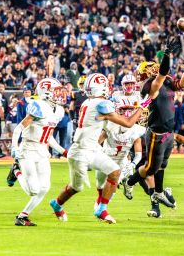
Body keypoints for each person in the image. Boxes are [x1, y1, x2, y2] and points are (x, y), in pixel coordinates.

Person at [48, 73, 150, 224]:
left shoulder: (88, 102)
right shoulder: (101, 104)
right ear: (100, 88)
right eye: (105, 86)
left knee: (115, 172)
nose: (108, 89)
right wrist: (142, 106)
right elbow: (128, 123)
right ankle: (57, 204)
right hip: (81, 151)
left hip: (90, 148)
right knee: (76, 187)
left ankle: (101, 209)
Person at [124, 37, 184, 218]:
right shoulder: (149, 85)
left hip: (168, 131)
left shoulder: (166, 82)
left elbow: (181, 85)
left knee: (161, 166)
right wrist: (167, 54)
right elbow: (162, 74)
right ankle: (130, 182)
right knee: (151, 168)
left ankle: (158, 196)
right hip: (155, 131)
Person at [7, 78, 68, 226]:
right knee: (33, 190)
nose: (59, 94)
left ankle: (22, 216)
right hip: (28, 149)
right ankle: (16, 171)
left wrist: (63, 151)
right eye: (56, 91)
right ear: (45, 93)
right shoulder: (38, 105)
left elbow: (48, 136)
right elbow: (19, 128)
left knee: (44, 187)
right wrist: (14, 147)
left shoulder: (58, 110)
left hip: (42, 150)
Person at [100, 99, 146, 201]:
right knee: (101, 186)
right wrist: (102, 152)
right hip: (107, 158)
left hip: (123, 160)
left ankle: (102, 207)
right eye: (123, 110)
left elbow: (138, 155)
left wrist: (132, 165)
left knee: (113, 184)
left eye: (130, 110)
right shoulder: (110, 126)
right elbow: (96, 143)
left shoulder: (136, 129)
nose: (127, 113)